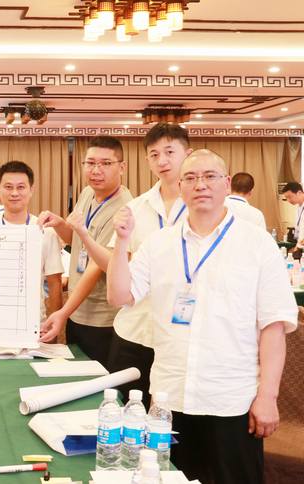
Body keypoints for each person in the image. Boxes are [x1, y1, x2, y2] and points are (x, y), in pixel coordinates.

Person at [107, 149, 297, 484]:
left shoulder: (256, 244)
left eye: (210, 176)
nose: (201, 185)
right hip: (170, 398)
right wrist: (122, 243)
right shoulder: (158, 243)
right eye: (191, 178)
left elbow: (273, 327)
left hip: (232, 399)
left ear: (226, 184)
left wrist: (268, 397)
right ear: (180, 187)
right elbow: (120, 296)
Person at [60, 123, 191, 407]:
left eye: (170, 152)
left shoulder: (204, 209)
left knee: (172, 415)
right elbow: (117, 269)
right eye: (154, 154)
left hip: (183, 333)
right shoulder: (136, 209)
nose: (162, 161)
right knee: (122, 406)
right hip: (134, 326)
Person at [38, 136, 133, 367]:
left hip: (102, 318)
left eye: (106, 163)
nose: (96, 170)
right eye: (90, 163)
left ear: (122, 167)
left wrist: (63, 312)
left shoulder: (124, 209)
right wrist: (59, 223)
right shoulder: (88, 193)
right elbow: (77, 241)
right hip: (77, 311)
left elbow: (97, 267)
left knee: (98, 380)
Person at [0, 161, 63, 320]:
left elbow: (55, 284)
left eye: (21, 187)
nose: (14, 193)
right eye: (8, 187)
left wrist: (53, 324)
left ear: (31, 190)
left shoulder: (46, 231)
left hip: (33, 321)